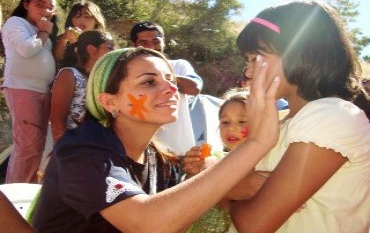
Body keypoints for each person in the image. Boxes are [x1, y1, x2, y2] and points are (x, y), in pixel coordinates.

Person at [31, 47, 281, 232]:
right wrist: (256, 142)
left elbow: (174, 220)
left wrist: (204, 172)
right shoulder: (83, 148)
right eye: (149, 81)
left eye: (170, 80)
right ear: (110, 101)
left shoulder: (161, 159)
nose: (171, 89)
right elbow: (146, 224)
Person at [230, 0, 370, 232]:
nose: (248, 71)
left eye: (255, 58)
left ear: (299, 52)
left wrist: (227, 193)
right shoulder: (286, 119)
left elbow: (253, 224)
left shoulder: (330, 115)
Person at [130, 21, 223, 154]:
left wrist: (156, 79)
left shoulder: (179, 65)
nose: (151, 47)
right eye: (143, 43)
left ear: (164, 42)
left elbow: (195, 87)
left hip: (179, 150)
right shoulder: (127, 71)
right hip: (142, 146)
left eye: (156, 41)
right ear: (134, 45)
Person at [185, 89, 269, 233]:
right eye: (225, 122)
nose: (232, 127)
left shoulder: (266, 163)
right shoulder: (213, 159)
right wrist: (191, 174)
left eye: (242, 121)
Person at [1, 0, 58, 183]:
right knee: (28, 147)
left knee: (36, 147)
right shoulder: (16, 22)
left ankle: (27, 191)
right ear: (26, 4)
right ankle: (12, 199)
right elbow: (27, 49)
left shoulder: (42, 30)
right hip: (23, 89)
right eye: (39, 4)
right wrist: (44, 33)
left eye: (49, 6)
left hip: (42, 91)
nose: (45, 9)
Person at [51, 30, 114, 143]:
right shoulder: (69, 75)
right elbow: (57, 119)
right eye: (110, 48)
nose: (114, 52)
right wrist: (62, 150)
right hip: (74, 148)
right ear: (91, 50)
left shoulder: (104, 80)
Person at [53, 0, 106, 64]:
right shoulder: (63, 38)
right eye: (76, 16)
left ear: (96, 20)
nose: (81, 19)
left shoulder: (104, 42)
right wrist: (63, 40)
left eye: (86, 16)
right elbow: (54, 61)